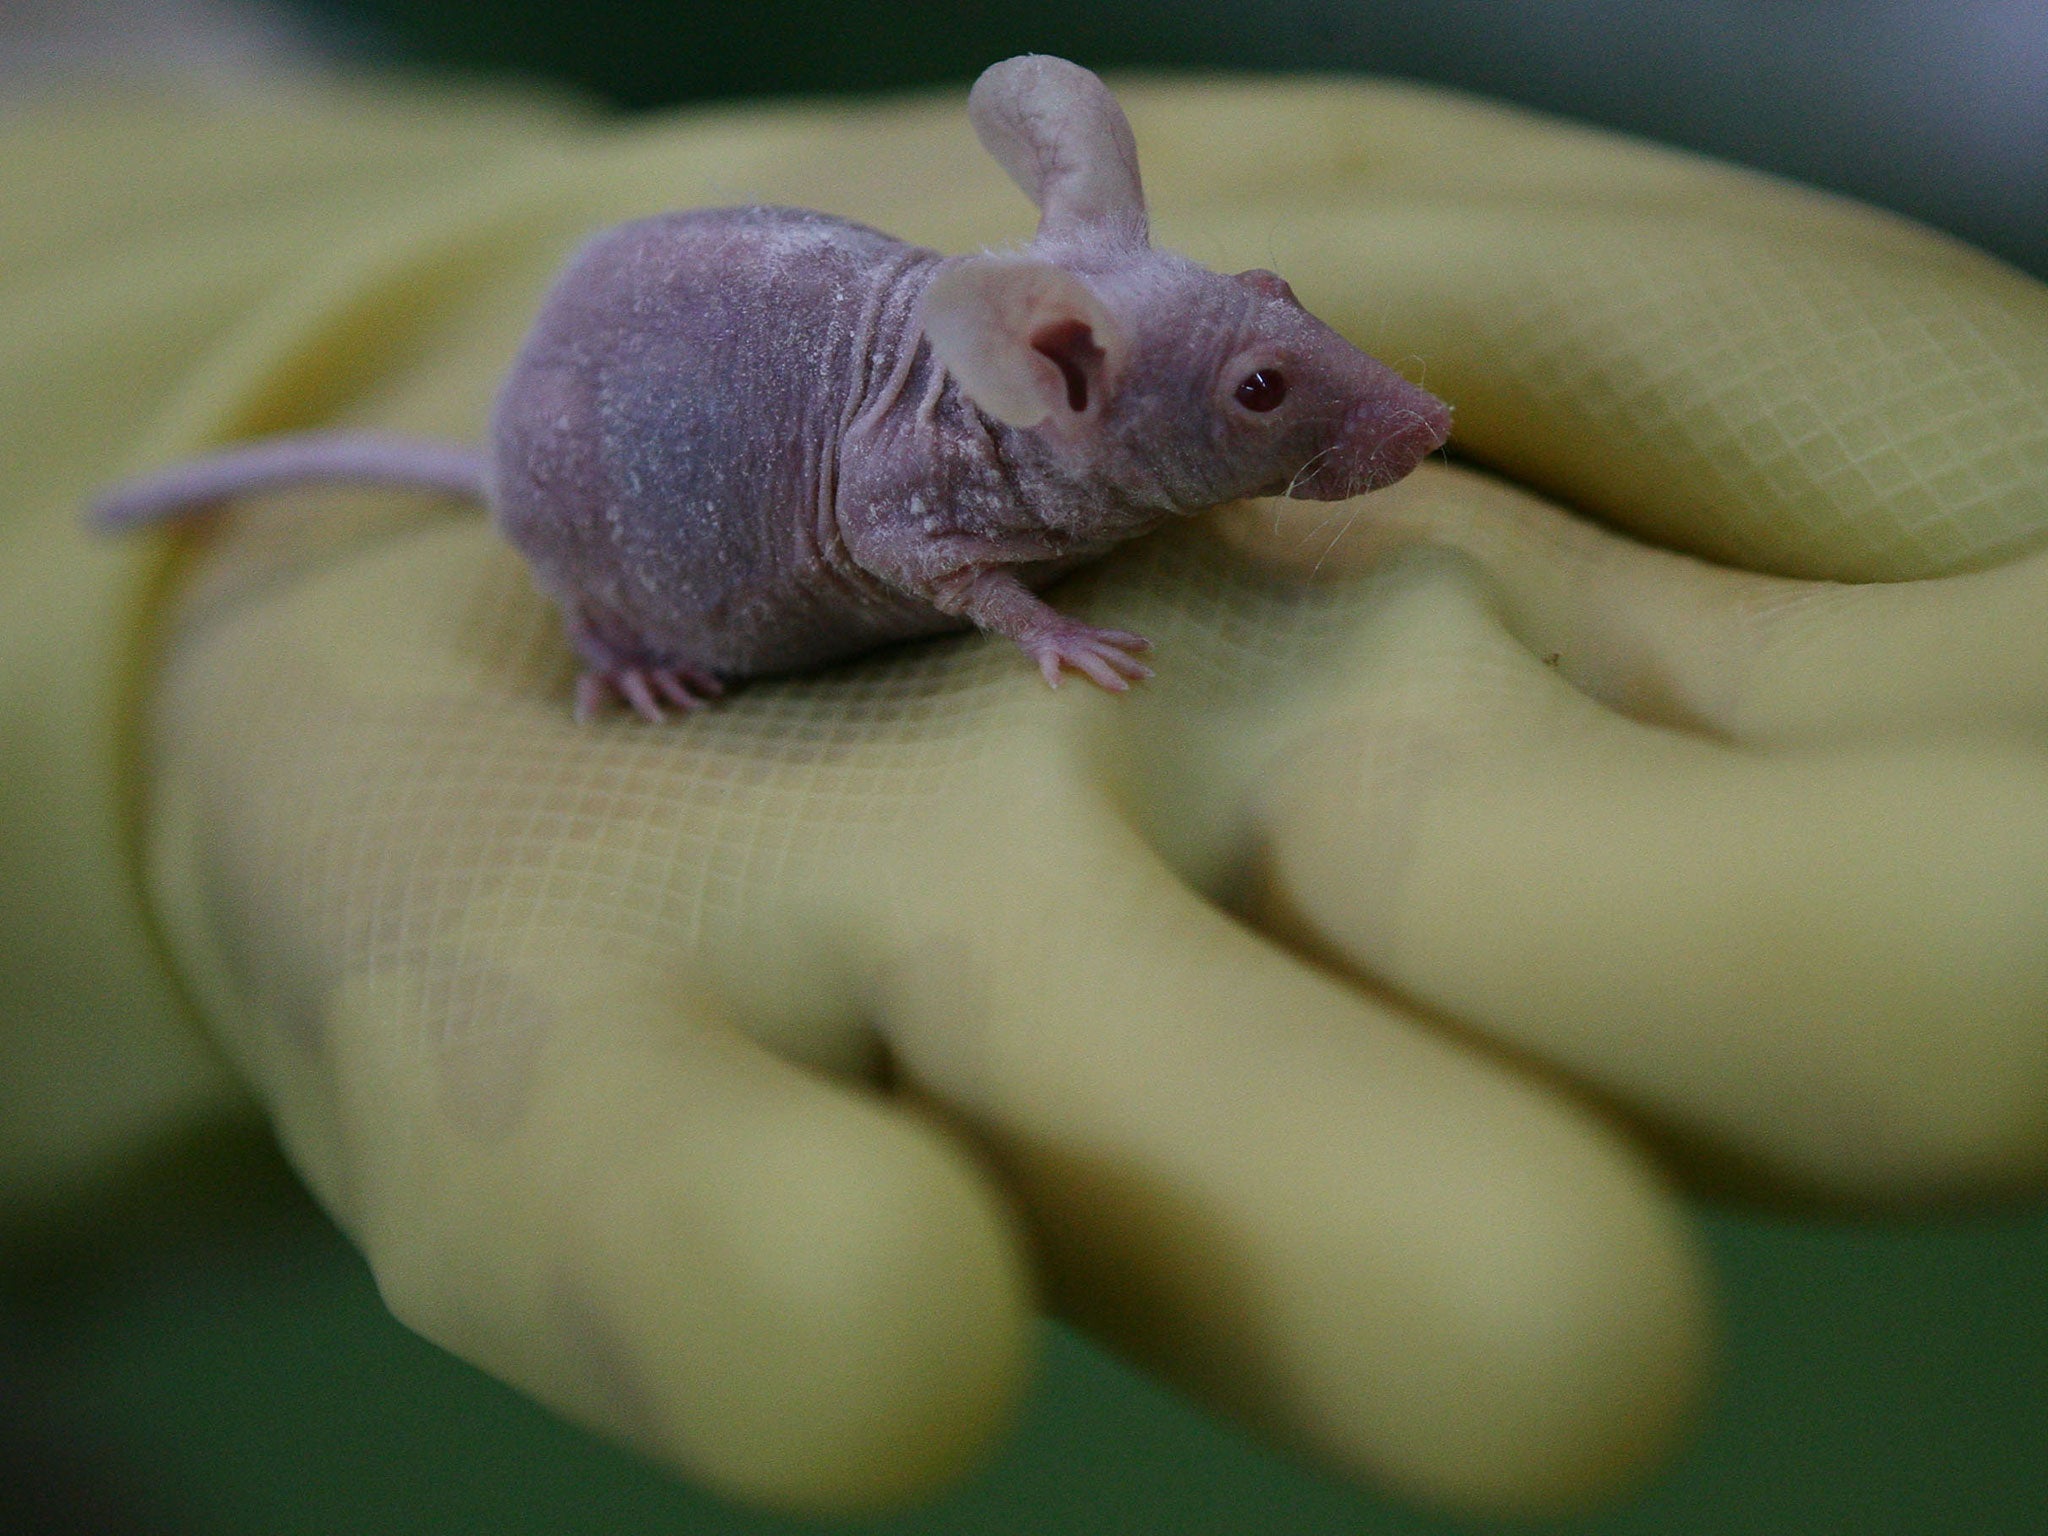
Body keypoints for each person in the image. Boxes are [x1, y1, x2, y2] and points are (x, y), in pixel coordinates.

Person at [4, 44, 2046, 1522]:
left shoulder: (1072, 365)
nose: (1362, 417)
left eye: (1290, 356)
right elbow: (898, 534)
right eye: (1267, 397)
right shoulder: (980, 445)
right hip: (618, 493)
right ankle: (612, 620)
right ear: (1055, 371)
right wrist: (1034, 631)